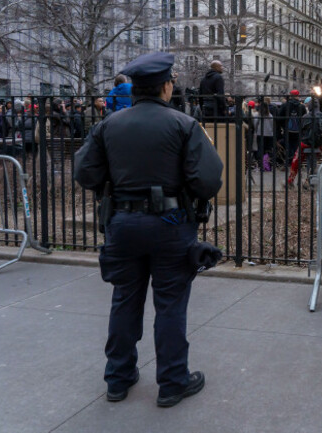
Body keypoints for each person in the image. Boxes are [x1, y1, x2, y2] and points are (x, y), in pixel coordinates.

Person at [74, 52, 223, 408]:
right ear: (167, 86)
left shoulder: (108, 125)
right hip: (170, 225)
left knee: (125, 299)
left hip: (123, 224)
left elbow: (86, 173)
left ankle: (118, 378)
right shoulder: (183, 124)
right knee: (170, 304)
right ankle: (172, 382)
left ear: (137, 88)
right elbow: (207, 180)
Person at [287, 98, 322, 187]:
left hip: (305, 143)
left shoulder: (305, 117)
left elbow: (301, 130)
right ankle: (309, 180)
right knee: (313, 161)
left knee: (296, 160)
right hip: (319, 145)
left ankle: (291, 180)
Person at [277, 89, 306, 164]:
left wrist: (283, 126)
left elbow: (279, 117)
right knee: (296, 146)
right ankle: (295, 161)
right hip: (298, 130)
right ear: (297, 96)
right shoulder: (301, 106)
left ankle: (289, 160)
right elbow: (304, 118)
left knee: (288, 145)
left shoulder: (285, 105)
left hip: (287, 129)